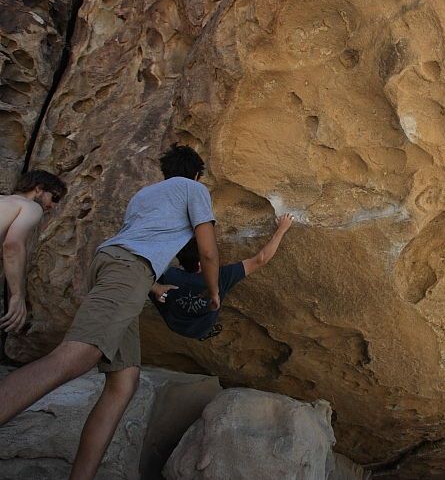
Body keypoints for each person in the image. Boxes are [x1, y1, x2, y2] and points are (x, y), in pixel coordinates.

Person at [0, 144, 219, 480]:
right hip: (128, 271)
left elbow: (137, 243)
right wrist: (213, 290)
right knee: (75, 357)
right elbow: (207, 249)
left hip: (117, 267)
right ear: (196, 173)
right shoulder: (194, 189)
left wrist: (154, 286)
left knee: (124, 381)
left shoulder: (144, 196)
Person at [150, 213, 294, 341]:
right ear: (201, 262)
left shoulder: (171, 275)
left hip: (175, 323)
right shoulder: (220, 277)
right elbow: (260, 259)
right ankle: (204, 333)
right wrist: (282, 229)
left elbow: (139, 275)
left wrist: (156, 287)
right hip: (202, 327)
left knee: (151, 286)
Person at [1, 170, 67, 333]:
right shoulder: (30, 206)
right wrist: (17, 295)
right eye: (55, 198)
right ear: (38, 189)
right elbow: (12, 244)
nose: (53, 206)